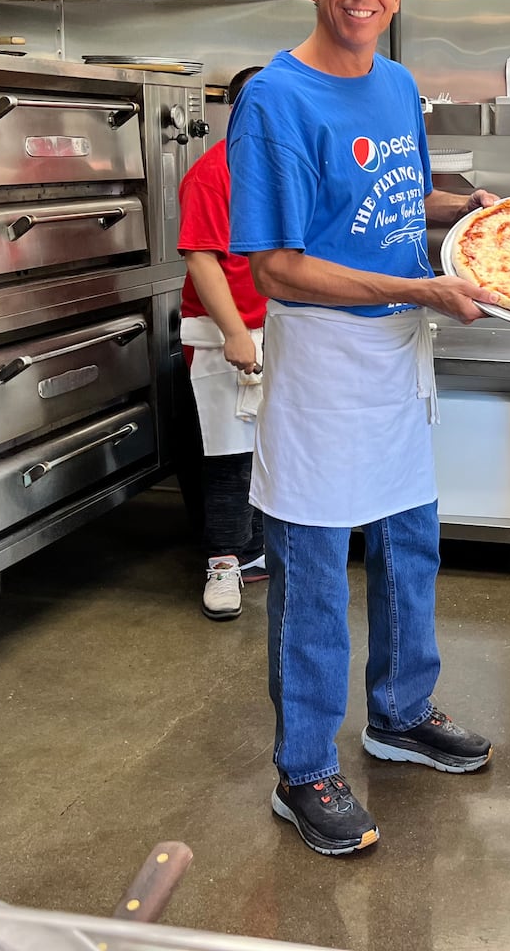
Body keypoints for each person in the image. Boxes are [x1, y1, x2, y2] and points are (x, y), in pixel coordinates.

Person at [227, 0, 500, 857]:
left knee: (408, 549)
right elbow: (279, 265)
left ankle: (399, 713)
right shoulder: (276, 99)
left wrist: (474, 212)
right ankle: (303, 768)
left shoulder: (394, 84)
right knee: (312, 580)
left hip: (395, 357)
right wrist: (423, 289)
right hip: (323, 361)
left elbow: (397, 193)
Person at [177, 65, 271, 621]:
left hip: (279, 327)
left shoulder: (280, 168)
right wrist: (235, 331)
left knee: (266, 451)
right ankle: (222, 565)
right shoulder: (215, 172)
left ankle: (255, 553)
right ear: (238, 111)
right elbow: (200, 257)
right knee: (229, 455)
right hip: (223, 336)